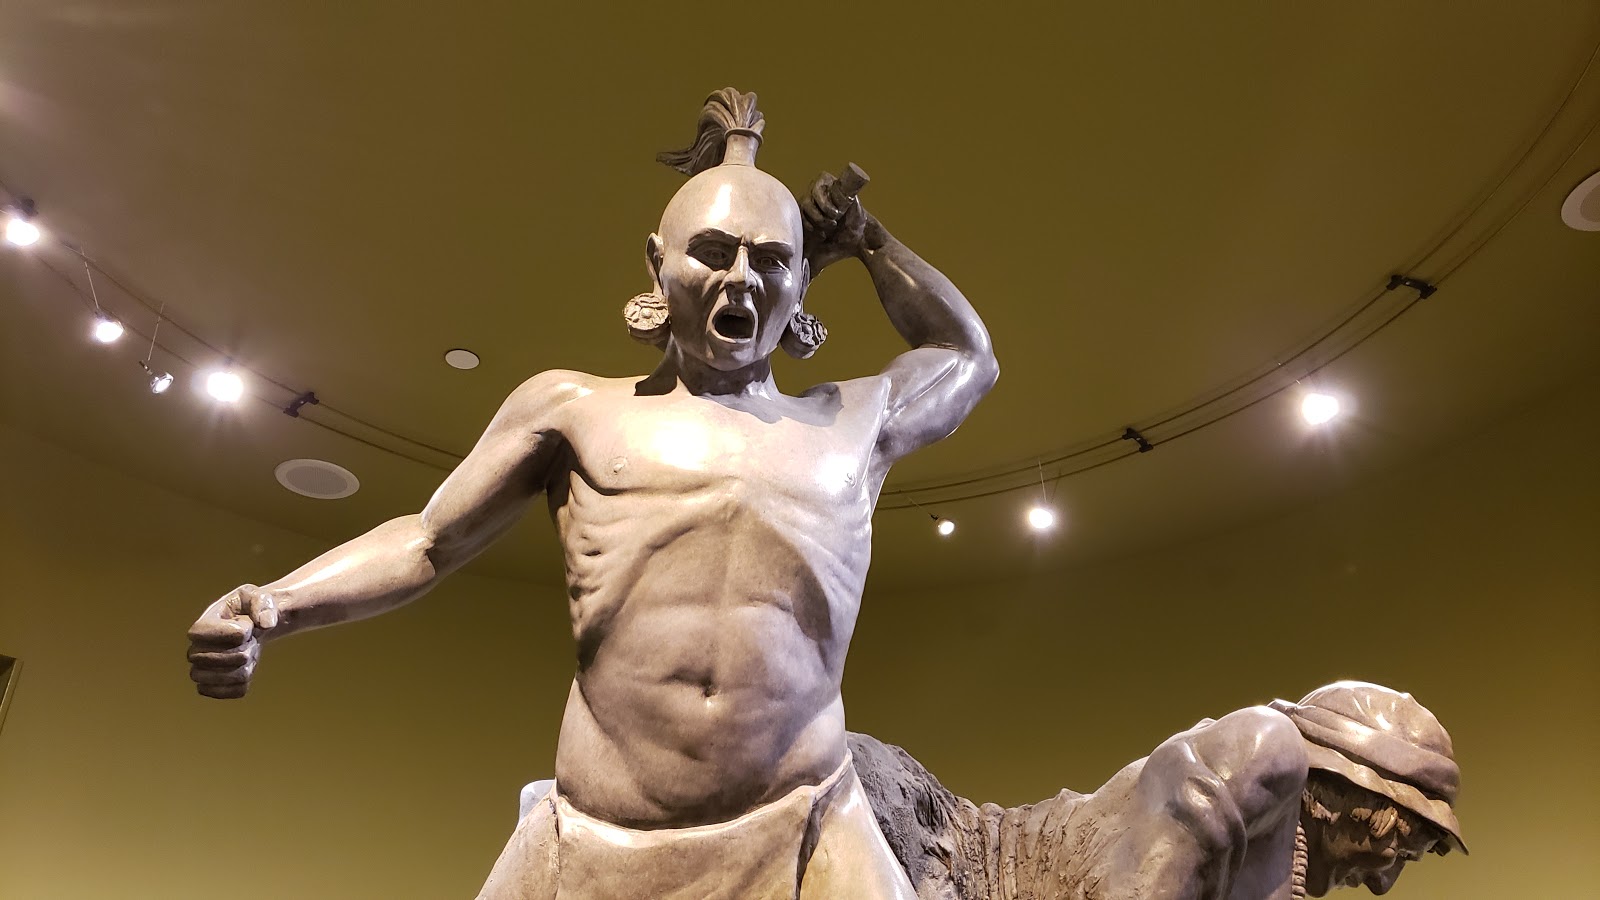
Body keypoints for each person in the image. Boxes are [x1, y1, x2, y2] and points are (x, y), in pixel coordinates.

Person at [184, 88, 997, 899]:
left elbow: (968, 356)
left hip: (808, 825)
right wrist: (275, 605)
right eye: (714, 253)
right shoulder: (571, 410)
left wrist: (867, 240)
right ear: (657, 264)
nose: (742, 280)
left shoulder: (852, 422)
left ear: (799, 286)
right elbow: (429, 541)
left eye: (771, 261)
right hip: (595, 835)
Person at [850, 681, 1464, 899]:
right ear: (1356, 802)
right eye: (1399, 851)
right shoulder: (1269, 748)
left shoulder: (1283, 852)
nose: (1384, 882)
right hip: (938, 856)